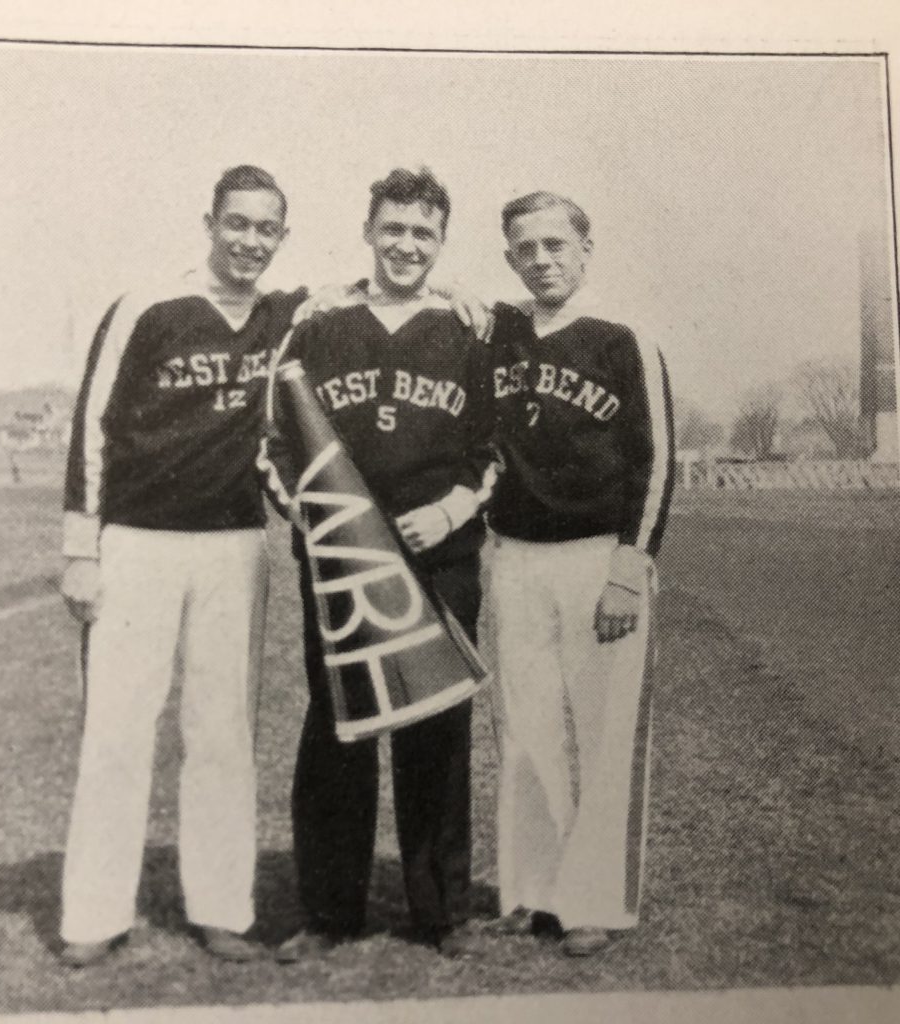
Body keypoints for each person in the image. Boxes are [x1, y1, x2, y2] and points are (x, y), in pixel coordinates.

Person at [58, 165, 304, 967]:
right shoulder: (148, 307)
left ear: (282, 237)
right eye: (238, 223)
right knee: (119, 731)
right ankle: (94, 914)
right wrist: (80, 547)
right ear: (209, 222)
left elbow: (365, 293)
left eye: (267, 229)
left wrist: (460, 298)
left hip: (234, 546)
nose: (250, 241)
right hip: (137, 544)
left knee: (223, 732)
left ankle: (222, 909)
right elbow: (92, 423)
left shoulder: (284, 317)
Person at [261, 167, 500, 960]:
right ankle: (330, 912)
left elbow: (493, 448)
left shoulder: (471, 330)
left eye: (423, 233)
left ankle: (442, 912)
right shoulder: (320, 324)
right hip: (341, 561)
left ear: (441, 243)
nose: (406, 245)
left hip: (442, 551)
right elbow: (274, 444)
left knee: (438, 724)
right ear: (368, 230)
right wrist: (328, 524)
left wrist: (452, 509)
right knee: (339, 724)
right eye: (392, 229)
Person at [487, 192, 675, 956]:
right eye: (526, 248)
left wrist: (631, 566)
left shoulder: (624, 336)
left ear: (587, 248)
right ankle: (536, 890)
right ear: (510, 259)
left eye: (556, 245)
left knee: (603, 733)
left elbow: (656, 461)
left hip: (600, 555)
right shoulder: (495, 335)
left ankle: (593, 899)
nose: (542, 260)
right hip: (514, 557)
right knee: (524, 731)